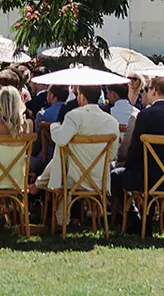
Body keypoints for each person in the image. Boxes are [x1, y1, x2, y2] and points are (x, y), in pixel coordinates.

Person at [108, 75, 164, 230]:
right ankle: (143, 220)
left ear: (155, 91)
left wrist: (128, 166)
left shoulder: (145, 115)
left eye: (147, 89)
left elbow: (135, 149)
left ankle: (133, 218)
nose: (144, 93)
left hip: (147, 178)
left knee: (115, 176)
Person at [35, 82, 120, 228]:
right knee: (61, 159)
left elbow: (60, 139)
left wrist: (55, 126)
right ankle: (38, 185)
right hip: (98, 178)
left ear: (81, 97)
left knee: (60, 161)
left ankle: (60, 220)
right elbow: (112, 155)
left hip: (73, 178)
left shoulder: (74, 115)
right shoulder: (111, 121)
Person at [28, 84, 70, 177]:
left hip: (46, 157)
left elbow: (37, 143)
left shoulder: (43, 114)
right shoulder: (71, 113)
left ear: (52, 96)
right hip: (68, 158)